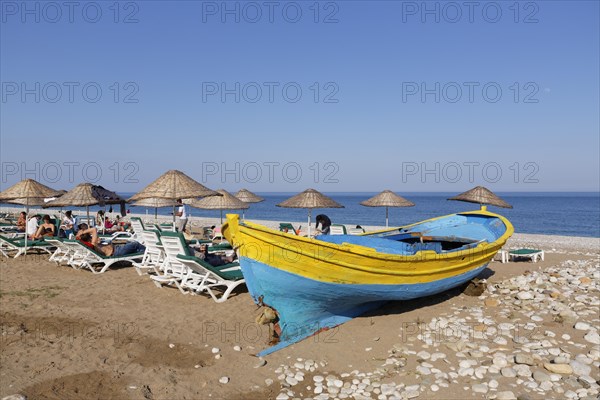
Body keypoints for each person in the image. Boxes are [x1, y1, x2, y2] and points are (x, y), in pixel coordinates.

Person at [75, 224, 145, 257]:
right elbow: (94, 229)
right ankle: (147, 254)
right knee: (136, 244)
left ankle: (142, 253)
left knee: (130, 243)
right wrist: (83, 232)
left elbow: (78, 238)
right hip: (116, 252)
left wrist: (80, 234)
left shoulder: (89, 243)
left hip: (116, 249)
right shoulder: (93, 244)